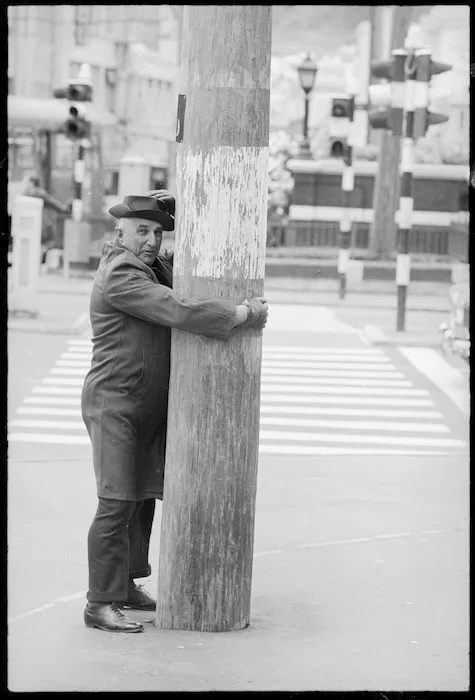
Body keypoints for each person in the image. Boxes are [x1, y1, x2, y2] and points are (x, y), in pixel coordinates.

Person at [81, 190, 269, 633]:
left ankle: (124, 585)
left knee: (141, 496)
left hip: (141, 403)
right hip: (115, 402)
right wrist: (239, 313)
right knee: (116, 500)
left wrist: (180, 205)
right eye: (141, 231)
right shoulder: (121, 272)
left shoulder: (149, 266)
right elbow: (175, 307)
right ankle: (99, 603)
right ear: (119, 233)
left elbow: (180, 272)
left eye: (157, 231)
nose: (151, 239)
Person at [22, 173, 71, 263]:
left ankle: (36, 264)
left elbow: (52, 203)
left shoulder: (32, 193)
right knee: (42, 245)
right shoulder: (37, 193)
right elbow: (53, 203)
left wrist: (64, 209)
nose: (25, 183)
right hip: (38, 223)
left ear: (32, 183)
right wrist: (65, 209)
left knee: (39, 245)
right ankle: (38, 264)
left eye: (27, 181)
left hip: (34, 224)